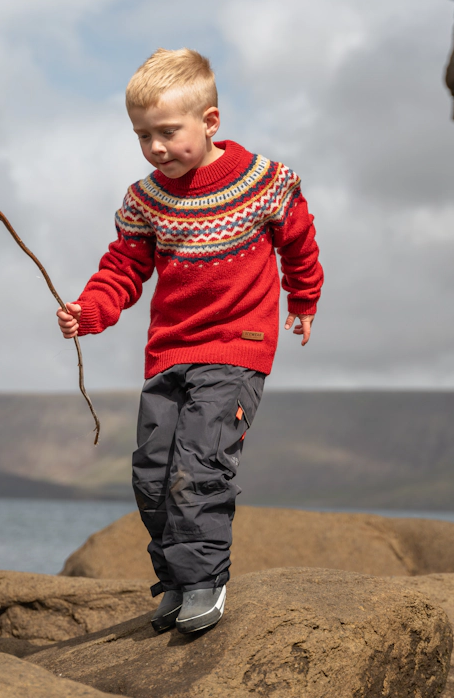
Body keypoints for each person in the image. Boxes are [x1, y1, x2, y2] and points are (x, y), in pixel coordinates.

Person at [56, 48, 323, 634]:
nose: (155, 147)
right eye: (142, 136)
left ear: (210, 121)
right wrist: (89, 311)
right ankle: (176, 580)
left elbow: (299, 244)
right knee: (152, 473)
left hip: (236, 348)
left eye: (168, 132)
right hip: (169, 353)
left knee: (199, 467)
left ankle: (205, 582)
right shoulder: (145, 200)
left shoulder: (266, 183)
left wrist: (304, 300)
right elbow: (123, 269)